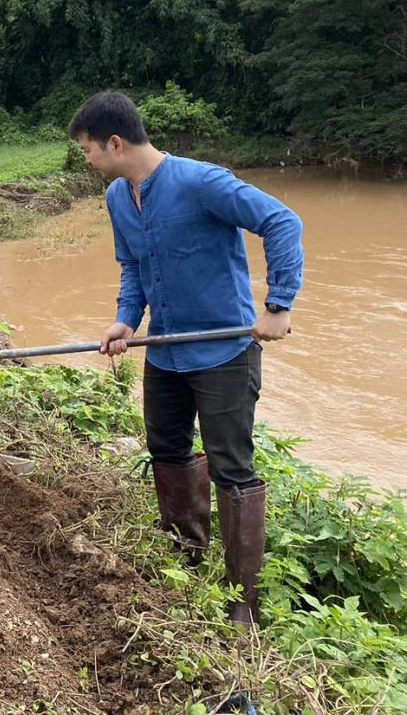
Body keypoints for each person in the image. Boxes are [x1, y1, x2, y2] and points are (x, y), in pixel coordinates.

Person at [70, 91, 304, 626]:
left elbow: (283, 222)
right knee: (168, 450)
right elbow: (133, 266)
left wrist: (279, 303)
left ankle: (243, 600)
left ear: (114, 142)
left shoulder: (202, 182)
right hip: (167, 352)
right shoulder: (116, 197)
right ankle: (186, 558)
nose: (87, 160)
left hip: (224, 352)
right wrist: (126, 319)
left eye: (88, 150)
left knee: (232, 467)